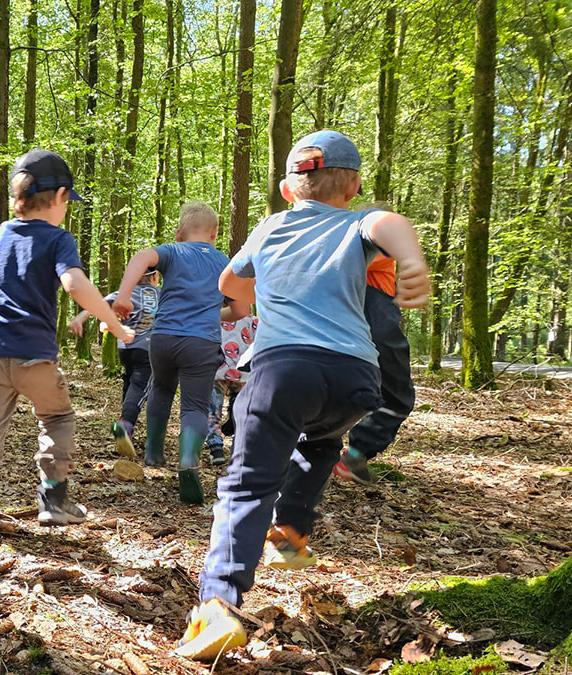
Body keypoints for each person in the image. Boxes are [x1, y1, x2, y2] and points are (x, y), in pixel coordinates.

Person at [176, 130, 430, 661]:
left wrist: (253, 298)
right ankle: (290, 532)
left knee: (245, 484)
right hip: (357, 378)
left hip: (283, 370)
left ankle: (219, 603)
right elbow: (389, 223)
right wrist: (410, 261)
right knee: (320, 443)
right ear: (353, 185)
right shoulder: (360, 224)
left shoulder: (272, 226)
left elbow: (230, 283)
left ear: (289, 190)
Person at [0, 150, 134, 571]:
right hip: (34, 357)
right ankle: (53, 498)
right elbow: (74, 283)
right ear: (60, 195)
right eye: (68, 201)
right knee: (57, 417)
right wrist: (116, 327)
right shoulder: (57, 239)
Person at [112, 200, 246, 504]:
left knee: (161, 388)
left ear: (179, 232)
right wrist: (214, 313)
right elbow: (240, 310)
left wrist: (123, 296)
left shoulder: (172, 251)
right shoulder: (225, 263)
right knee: (195, 406)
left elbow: (141, 257)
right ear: (214, 234)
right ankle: (188, 460)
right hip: (201, 343)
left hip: (163, 338)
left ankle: (154, 454)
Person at [332, 255, 415, 483]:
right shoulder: (372, 241)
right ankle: (354, 456)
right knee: (397, 399)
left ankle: (317, 455)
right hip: (375, 328)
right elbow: (346, 264)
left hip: (337, 326)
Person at [68, 268, 159, 459]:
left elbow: (97, 305)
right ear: (155, 277)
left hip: (125, 348)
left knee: (130, 380)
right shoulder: (162, 295)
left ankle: (125, 424)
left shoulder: (124, 294)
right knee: (141, 385)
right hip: (149, 349)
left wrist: (80, 318)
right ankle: (126, 425)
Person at [204, 314, 258, 466]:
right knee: (242, 411)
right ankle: (240, 449)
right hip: (243, 373)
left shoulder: (213, 317)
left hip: (217, 371)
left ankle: (216, 449)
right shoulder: (252, 320)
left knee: (212, 412)